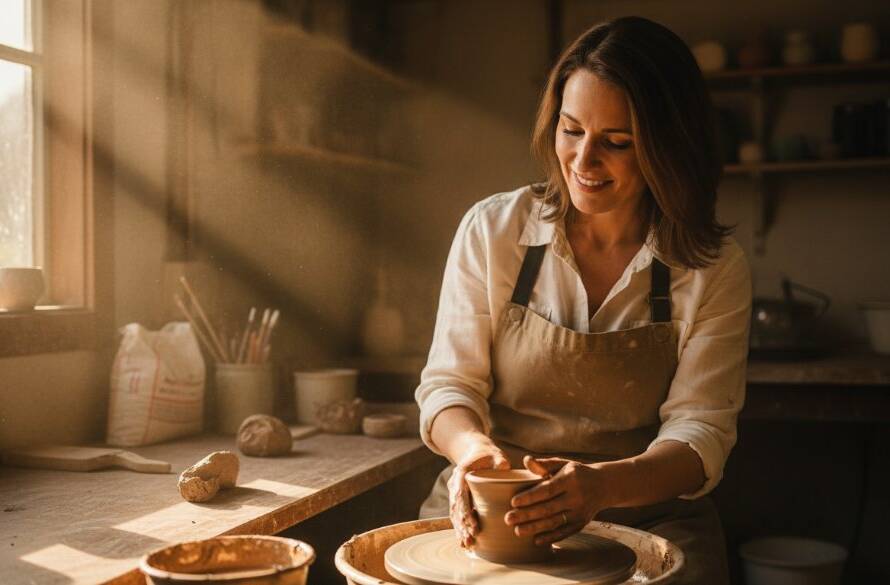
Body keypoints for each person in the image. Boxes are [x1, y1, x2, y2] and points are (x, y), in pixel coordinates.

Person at [414, 16, 751, 584]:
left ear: (668, 149)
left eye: (617, 143)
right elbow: (448, 385)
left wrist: (604, 486)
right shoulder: (496, 232)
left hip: (649, 514)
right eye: (571, 131)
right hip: (495, 510)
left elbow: (701, 433)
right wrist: (473, 454)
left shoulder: (710, 268)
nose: (583, 161)